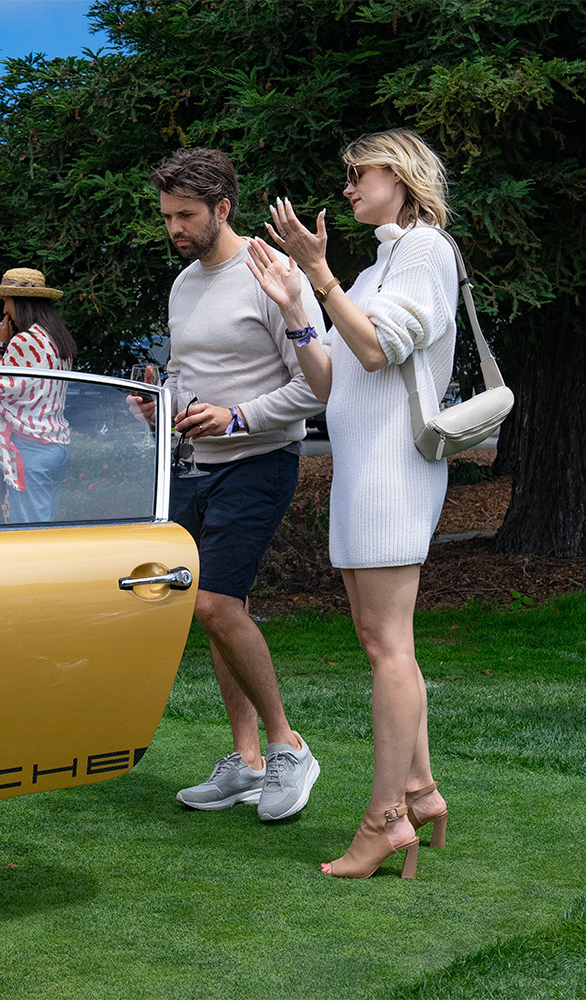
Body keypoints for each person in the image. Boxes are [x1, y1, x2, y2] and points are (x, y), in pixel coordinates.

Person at [246, 127, 458, 879]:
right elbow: (337, 382)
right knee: (381, 642)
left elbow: (377, 351)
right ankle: (421, 790)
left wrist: (318, 272)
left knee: (388, 645)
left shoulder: (428, 252)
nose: (347, 189)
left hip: (395, 469)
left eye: (358, 175)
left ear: (400, 179)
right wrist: (296, 307)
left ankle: (385, 819)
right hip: (365, 466)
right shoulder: (377, 268)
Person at [146, 148, 325, 823]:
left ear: (224, 207)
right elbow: (185, 371)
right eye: (167, 217)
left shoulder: (271, 273)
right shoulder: (185, 284)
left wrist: (238, 415)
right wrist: (162, 404)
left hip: (260, 460)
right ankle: (246, 762)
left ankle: (288, 748)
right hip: (197, 464)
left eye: (186, 215)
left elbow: (315, 384)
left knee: (214, 606)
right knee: (221, 611)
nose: (174, 229)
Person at [0, 267, 77, 523]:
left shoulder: (25, 341)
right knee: (44, 521)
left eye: (6, 301)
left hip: (30, 446)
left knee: (29, 530)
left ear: (20, 303)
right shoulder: (56, 337)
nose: (4, 310)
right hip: (55, 442)